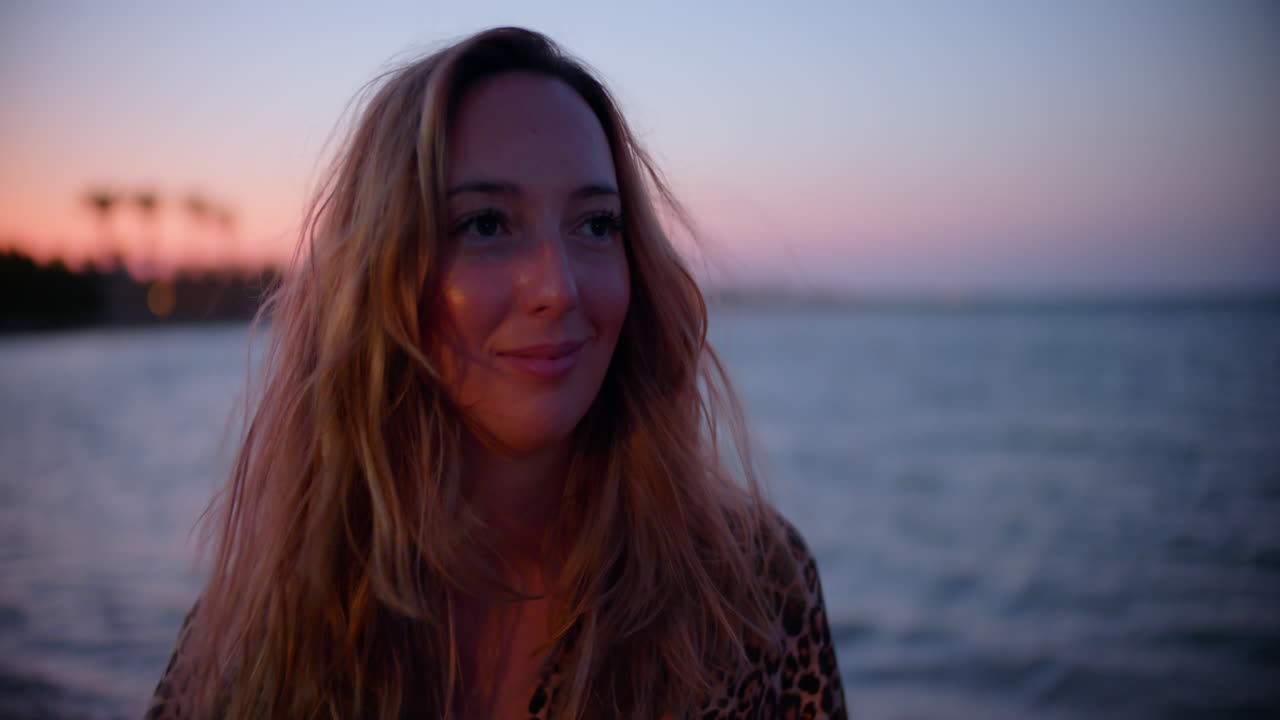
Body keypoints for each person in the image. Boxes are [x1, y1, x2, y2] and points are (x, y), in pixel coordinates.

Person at [145, 26, 846, 720]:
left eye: (597, 224)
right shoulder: (262, 631)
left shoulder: (749, 593)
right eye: (485, 224)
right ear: (382, 278)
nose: (559, 287)